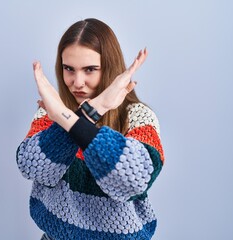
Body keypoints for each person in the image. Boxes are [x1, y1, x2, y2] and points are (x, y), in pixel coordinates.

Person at [16, 18, 165, 240]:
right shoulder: (51, 113)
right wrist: (93, 110)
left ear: (109, 68)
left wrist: (70, 120)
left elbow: (134, 180)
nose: (77, 82)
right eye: (69, 69)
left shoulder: (138, 117)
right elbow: (32, 166)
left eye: (90, 70)